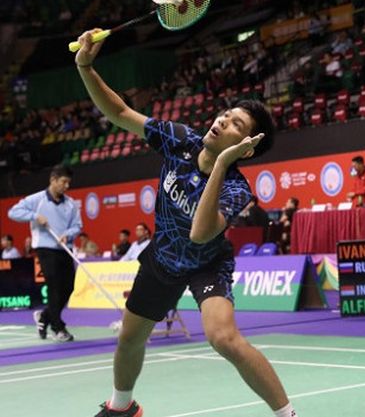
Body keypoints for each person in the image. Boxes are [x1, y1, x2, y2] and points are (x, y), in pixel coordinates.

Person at [74, 29, 298, 417]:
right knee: (129, 338)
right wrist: (85, 66)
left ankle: (287, 415)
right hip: (162, 257)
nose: (222, 122)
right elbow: (120, 113)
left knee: (224, 338)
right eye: (225, 115)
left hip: (205, 262)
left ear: (247, 147)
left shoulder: (235, 189)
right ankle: (122, 407)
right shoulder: (180, 139)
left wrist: (223, 164)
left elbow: (199, 232)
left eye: (235, 126)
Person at [7, 165, 82, 342]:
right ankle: (58, 328)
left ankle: (44, 316)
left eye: (68, 183)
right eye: (63, 182)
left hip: (64, 247)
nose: (66, 186)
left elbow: (78, 226)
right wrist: (34, 216)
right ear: (53, 180)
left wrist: (68, 234)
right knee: (55, 287)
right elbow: (13, 212)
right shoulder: (37, 200)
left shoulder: (70, 204)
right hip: (45, 248)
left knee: (68, 287)